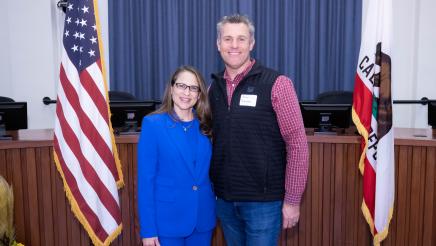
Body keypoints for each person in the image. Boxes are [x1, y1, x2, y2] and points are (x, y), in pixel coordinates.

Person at [208, 14, 309, 245]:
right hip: (224, 200)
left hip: (263, 203)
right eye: (228, 39)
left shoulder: (277, 84)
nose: (234, 45)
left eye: (241, 39)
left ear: (251, 44)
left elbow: (297, 144)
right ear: (218, 44)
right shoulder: (214, 87)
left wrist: (292, 200)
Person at [137, 66, 216, 246]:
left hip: (202, 220)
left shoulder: (206, 126)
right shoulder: (153, 124)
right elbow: (145, 182)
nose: (186, 92)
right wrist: (148, 230)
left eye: (193, 88)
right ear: (171, 88)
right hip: (167, 223)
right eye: (181, 85)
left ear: (199, 94)